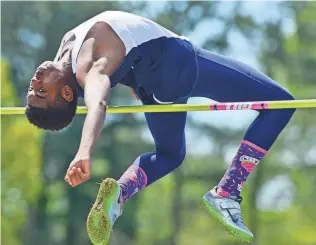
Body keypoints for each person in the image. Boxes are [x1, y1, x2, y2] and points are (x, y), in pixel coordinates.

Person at [25, 11, 295, 245]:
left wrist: (131, 80)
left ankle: (119, 193)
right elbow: (98, 104)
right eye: (41, 91)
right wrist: (84, 150)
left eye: (32, 89)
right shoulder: (90, 68)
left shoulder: (65, 59)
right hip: (178, 65)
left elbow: (123, 46)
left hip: (152, 84)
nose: (35, 81)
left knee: (170, 154)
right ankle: (227, 192)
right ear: (67, 95)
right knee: (281, 104)